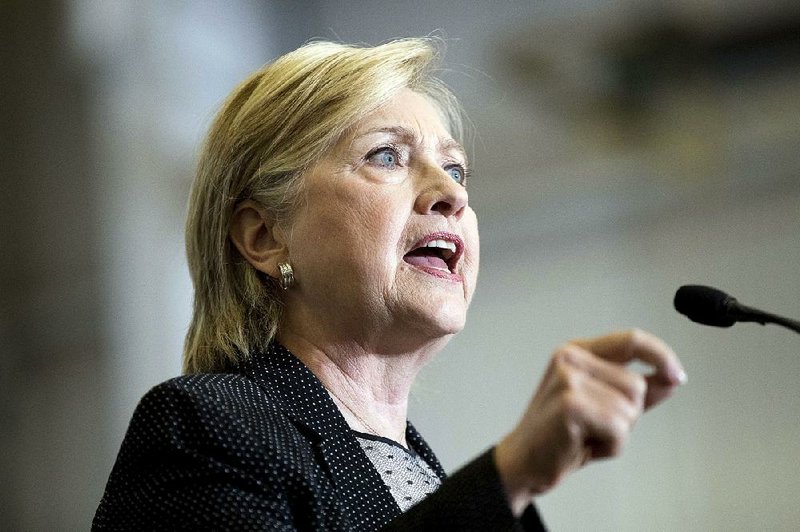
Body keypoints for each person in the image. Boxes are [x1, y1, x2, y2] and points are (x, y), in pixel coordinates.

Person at [93, 38, 686, 530]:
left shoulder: (426, 479)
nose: (452, 194)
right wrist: (511, 478)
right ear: (265, 237)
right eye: (386, 156)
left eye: (455, 169)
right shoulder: (204, 428)